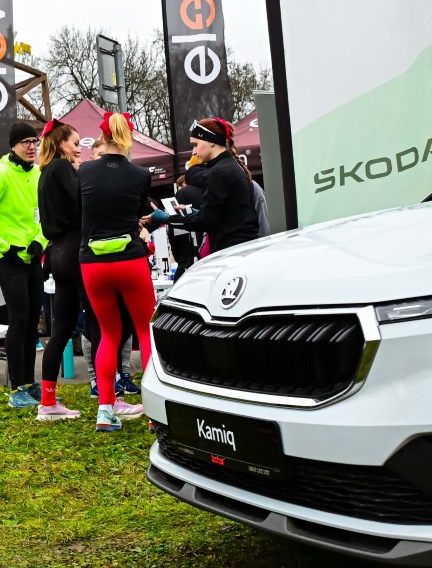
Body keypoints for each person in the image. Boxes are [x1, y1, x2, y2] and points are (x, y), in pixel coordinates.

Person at [82, 112, 156, 432]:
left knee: (108, 334)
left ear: (102, 138)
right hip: (130, 259)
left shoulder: (84, 171)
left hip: (93, 262)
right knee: (145, 331)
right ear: (129, 138)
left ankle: (105, 411)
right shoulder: (140, 174)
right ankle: (155, 412)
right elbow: (140, 213)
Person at [0, 122, 48, 407]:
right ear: (13, 146)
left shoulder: (37, 173)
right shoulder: (1, 173)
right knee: (19, 319)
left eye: (34, 141)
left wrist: (40, 240)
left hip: (32, 256)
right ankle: (16, 390)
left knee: (33, 322)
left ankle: (29, 383)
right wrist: (3, 246)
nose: (31, 147)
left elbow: (43, 214)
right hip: (8, 258)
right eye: (25, 142)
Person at [145, 118, 262, 255]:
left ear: (211, 141)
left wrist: (166, 218)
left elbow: (207, 221)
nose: (193, 152)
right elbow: (227, 213)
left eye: (195, 145)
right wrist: (194, 212)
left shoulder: (218, 172)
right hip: (243, 247)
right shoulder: (231, 166)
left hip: (232, 251)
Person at [35, 121, 84, 421]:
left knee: (61, 330)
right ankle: (110, 397)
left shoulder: (44, 173)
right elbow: (83, 201)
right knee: (98, 324)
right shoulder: (62, 168)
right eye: (76, 143)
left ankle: (48, 402)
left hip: (57, 252)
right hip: (76, 249)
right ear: (62, 143)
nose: (79, 148)